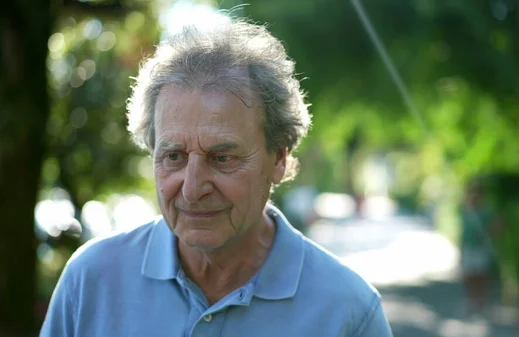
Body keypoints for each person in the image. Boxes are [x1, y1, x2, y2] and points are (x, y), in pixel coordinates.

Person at [40, 17, 393, 337]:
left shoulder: (349, 312)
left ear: (280, 158)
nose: (192, 189)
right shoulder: (90, 282)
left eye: (222, 158)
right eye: (174, 156)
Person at [459, 179, 501, 315]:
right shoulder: (466, 210)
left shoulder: (486, 211)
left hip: (480, 247)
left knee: (482, 275)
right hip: (469, 247)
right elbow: (464, 231)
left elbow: (494, 228)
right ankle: (473, 301)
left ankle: (481, 301)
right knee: (469, 275)